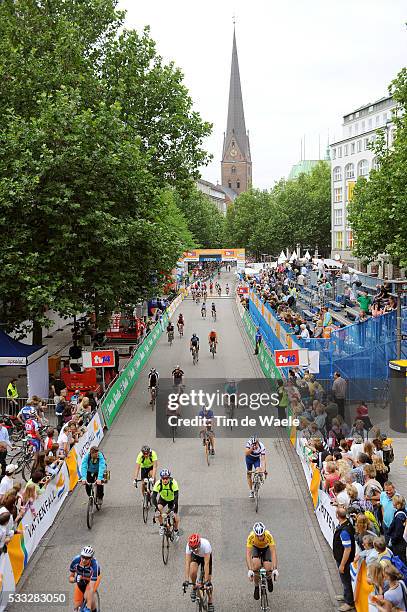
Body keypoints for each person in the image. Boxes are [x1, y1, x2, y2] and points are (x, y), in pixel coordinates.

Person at [246, 522, 278, 601]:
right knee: (256, 566)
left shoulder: (269, 536)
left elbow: (273, 552)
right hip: (256, 548)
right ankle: (256, 586)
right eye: (258, 536)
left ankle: (269, 578)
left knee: (267, 567)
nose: (260, 537)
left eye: (261, 535)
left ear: (264, 532)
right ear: (255, 534)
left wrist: (275, 568)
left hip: (266, 548)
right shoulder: (251, 537)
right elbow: (248, 555)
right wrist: (250, 569)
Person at [184, 534, 214, 611]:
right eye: (192, 548)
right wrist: (186, 580)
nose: (194, 550)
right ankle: (194, 587)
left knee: (208, 583)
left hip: (205, 556)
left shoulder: (206, 545)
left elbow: (206, 564)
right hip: (196, 557)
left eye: (195, 548)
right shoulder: (189, 546)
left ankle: (210, 600)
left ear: (199, 544)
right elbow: (187, 562)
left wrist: (207, 581)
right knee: (192, 571)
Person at [333, 507, 356, 611]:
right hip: (343, 558)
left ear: (337, 516)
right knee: (344, 580)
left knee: (346, 581)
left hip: (344, 560)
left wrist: (342, 564)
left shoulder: (344, 531)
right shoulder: (347, 524)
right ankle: (346, 596)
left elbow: (347, 549)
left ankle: (349, 603)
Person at [69, 546, 101, 612]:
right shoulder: (75, 561)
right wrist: (75, 579)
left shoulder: (95, 565)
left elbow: (91, 587)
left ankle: (91, 608)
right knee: (76, 606)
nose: (84, 560)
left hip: (92, 581)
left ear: (91, 558)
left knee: (88, 596)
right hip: (80, 581)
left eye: (86, 558)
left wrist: (88, 607)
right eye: (83, 556)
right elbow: (70, 578)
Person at [152, 469, 179, 541]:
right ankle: (161, 526)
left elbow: (176, 497)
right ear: (161, 478)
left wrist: (172, 509)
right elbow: (153, 497)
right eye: (163, 478)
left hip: (172, 500)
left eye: (167, 478)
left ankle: (176, 531)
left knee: (175, 517)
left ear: (169, 478)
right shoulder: (158, 483)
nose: (165, 480)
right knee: (158, 511)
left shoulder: (173, 483)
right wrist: (157, 509)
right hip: (163, 499)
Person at [387, 495, 407, 563]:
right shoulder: (404, 512)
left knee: (400, 562)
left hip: (399, 544)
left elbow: (398, 533)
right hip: (402, 542)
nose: (393, 504)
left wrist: (392, 540)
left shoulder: (399, 517)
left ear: (398, 504)